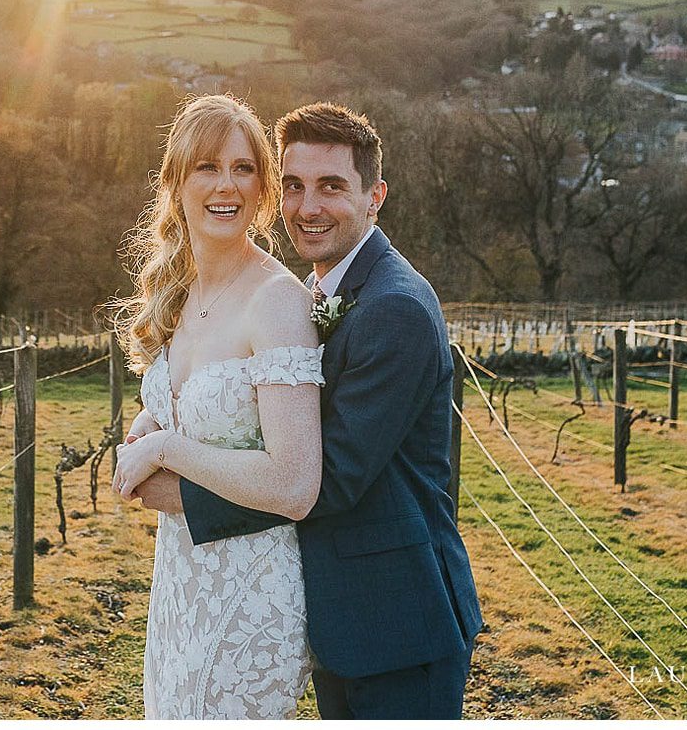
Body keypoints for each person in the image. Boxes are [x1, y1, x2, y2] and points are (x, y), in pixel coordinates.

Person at [132, 102, 483, 718]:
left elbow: (325, 480)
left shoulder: (392, 306)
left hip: (395, 617)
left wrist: (169, 479)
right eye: (294, 186)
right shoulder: (328, 290)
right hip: (333, 611)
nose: (307, 206)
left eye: (331, 187)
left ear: (375, 196)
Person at [110, 94, 323, 719]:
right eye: (207, 167)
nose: (226, 184)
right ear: (175, 182)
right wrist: (152, 423)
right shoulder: (183, 292)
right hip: (179, 581)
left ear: (262, 187)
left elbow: (294, 484)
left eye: (243, 168)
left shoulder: (277, 303)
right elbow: (185, 406)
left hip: (250, 597)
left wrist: (167, 448)